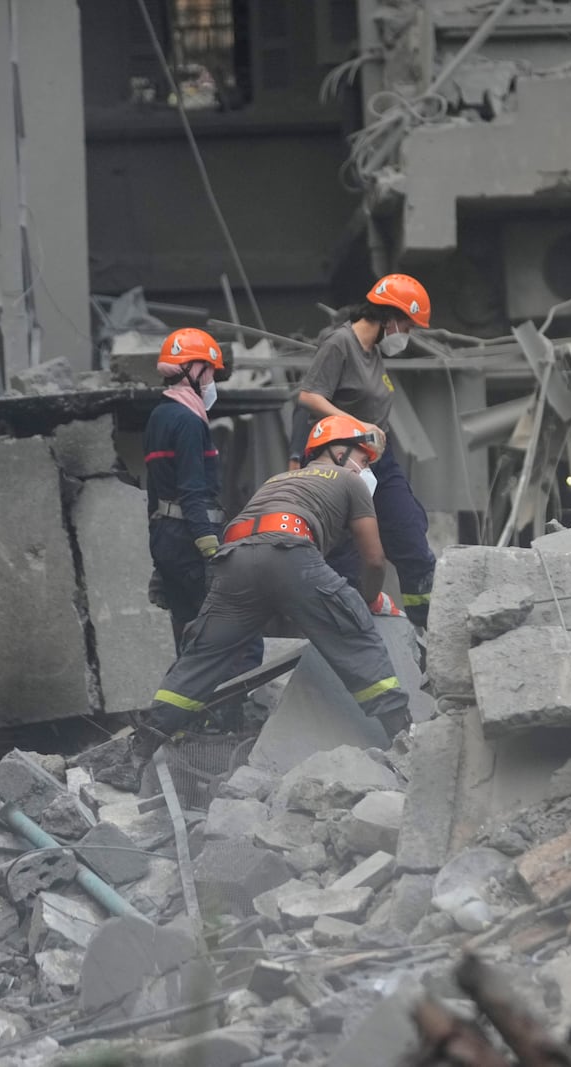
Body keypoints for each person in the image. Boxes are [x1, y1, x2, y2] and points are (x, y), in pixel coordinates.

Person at [124, 415, 412, 789]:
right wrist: (368, 600)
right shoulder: (348, 481)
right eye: (363, 457)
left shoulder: (277, 480)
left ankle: (139, 749)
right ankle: (408, 739)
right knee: (354, 632)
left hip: (233, 559)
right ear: (337, 451)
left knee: (199, 660)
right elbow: (373, 559)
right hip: (289, 550)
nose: (366, 466)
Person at [292, 274, 436, 628]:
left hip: (379, 460)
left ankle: (427, 626)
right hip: (344, 462)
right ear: (387, 316)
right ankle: (353, 627)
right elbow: (308, 397)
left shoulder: (373, 353)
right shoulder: (341, 343)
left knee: (411, 537)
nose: (408, 334)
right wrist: (354, 426)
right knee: (348, 555)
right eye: (407, 324)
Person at [142, 328, 262, 688]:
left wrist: (159, 557)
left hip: (168, 539)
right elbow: (193, 492)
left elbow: (155, 490)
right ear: (191, 369)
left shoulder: (159, 416)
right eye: (210, 371)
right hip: (192, 541)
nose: (213, 381)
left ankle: (181, 721)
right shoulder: (189, 421)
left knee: (190, 639)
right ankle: (232, 717)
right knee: (237, 630)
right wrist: (212, 552)